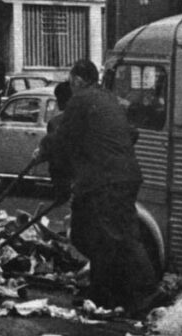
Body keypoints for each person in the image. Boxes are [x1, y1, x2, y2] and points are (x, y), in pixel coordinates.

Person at [43, 59, 161, 316]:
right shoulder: (109, 99)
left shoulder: (81, 100)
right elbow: (132, 133)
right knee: (94, 236)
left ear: (76, 80)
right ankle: (101, 294)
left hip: (107, 181)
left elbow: (64, 138)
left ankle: (146, 295)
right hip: (120, 176)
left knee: (122, 236)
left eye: (71, 81)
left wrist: (44, 148)